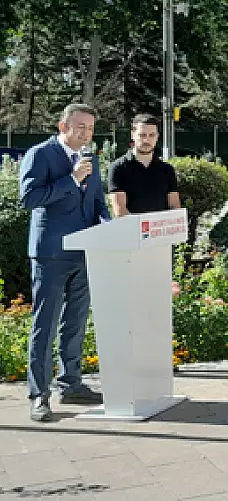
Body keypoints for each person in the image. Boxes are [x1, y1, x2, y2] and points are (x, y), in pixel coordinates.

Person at [19, 103, 111, 422]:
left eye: (90, 128)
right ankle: (38, 395)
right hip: (51, 254)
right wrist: (71, 179)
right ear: (63, 126)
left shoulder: (91, 159)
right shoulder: (40, 154)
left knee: (75, 322)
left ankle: (71, 383)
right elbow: (29, 198)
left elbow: (97, 201)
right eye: (80, 127)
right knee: (44, 325)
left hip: (85, 253)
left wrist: (108, 226)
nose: (86, 133)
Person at [107, 113, 181, 216]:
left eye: (151, 135)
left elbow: (174, 207)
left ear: (157, 137)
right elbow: (120, 211)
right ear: (133, 135)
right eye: (142, 135)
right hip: (131, 230)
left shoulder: (167, 170)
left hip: (160, 230)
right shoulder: (118, 168)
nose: (147, 140)